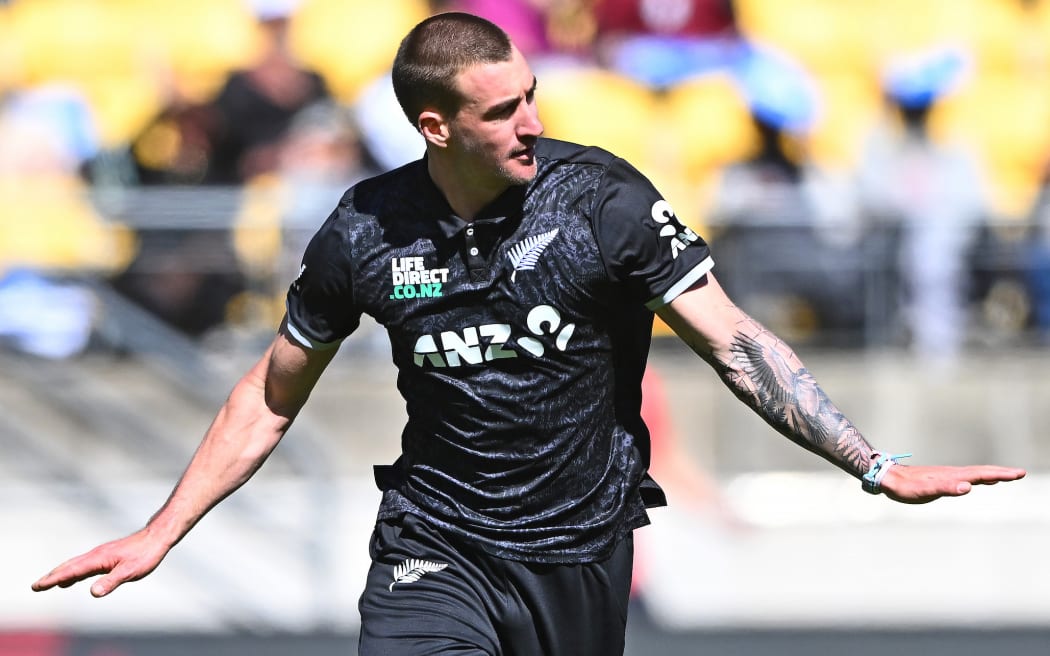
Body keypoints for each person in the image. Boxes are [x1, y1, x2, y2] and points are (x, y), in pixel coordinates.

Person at [32, 12, 1026, 656]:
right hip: (433, 545)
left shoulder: (603, 202)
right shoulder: (366, 230)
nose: (529, 123)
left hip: (577, 556)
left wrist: (871, 460)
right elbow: (269, 390)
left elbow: (734, 341)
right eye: (500, 111)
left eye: (531, 99)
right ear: (434, 126)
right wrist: (163, 531)